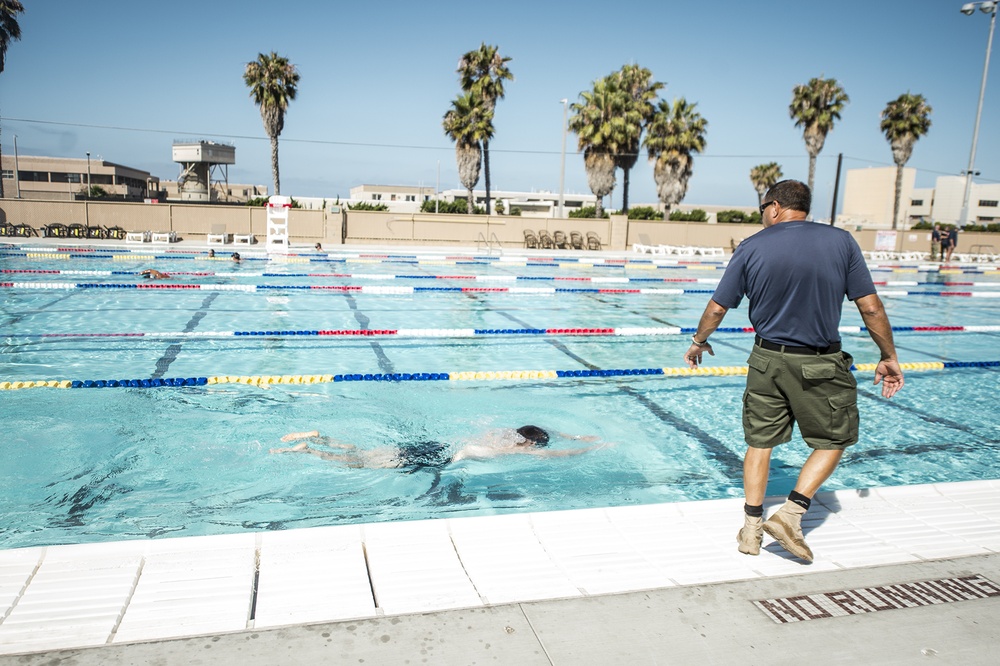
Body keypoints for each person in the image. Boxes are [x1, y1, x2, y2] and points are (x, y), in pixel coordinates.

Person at [683, 180, 904, 564]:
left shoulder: (751, 246)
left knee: (760, 442)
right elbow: (870, 308)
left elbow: (718, 308)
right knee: (834, 439)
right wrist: (888, 355)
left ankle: (752, 529)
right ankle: (791, 513)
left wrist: (699, 340)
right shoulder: (841, 242)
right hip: (820, 363)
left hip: (766, 360)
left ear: (774, 207)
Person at [269, 425, 607, 469]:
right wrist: (588, 447)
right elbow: (557, 453)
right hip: (441, 456)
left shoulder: (503, 433)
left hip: (437, 443)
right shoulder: (517, 449)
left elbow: (542, 431)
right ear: (530, 444)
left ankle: (321, 438)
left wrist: (577, 435)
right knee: (358, 463)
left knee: (366, 451)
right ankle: (311, 449)